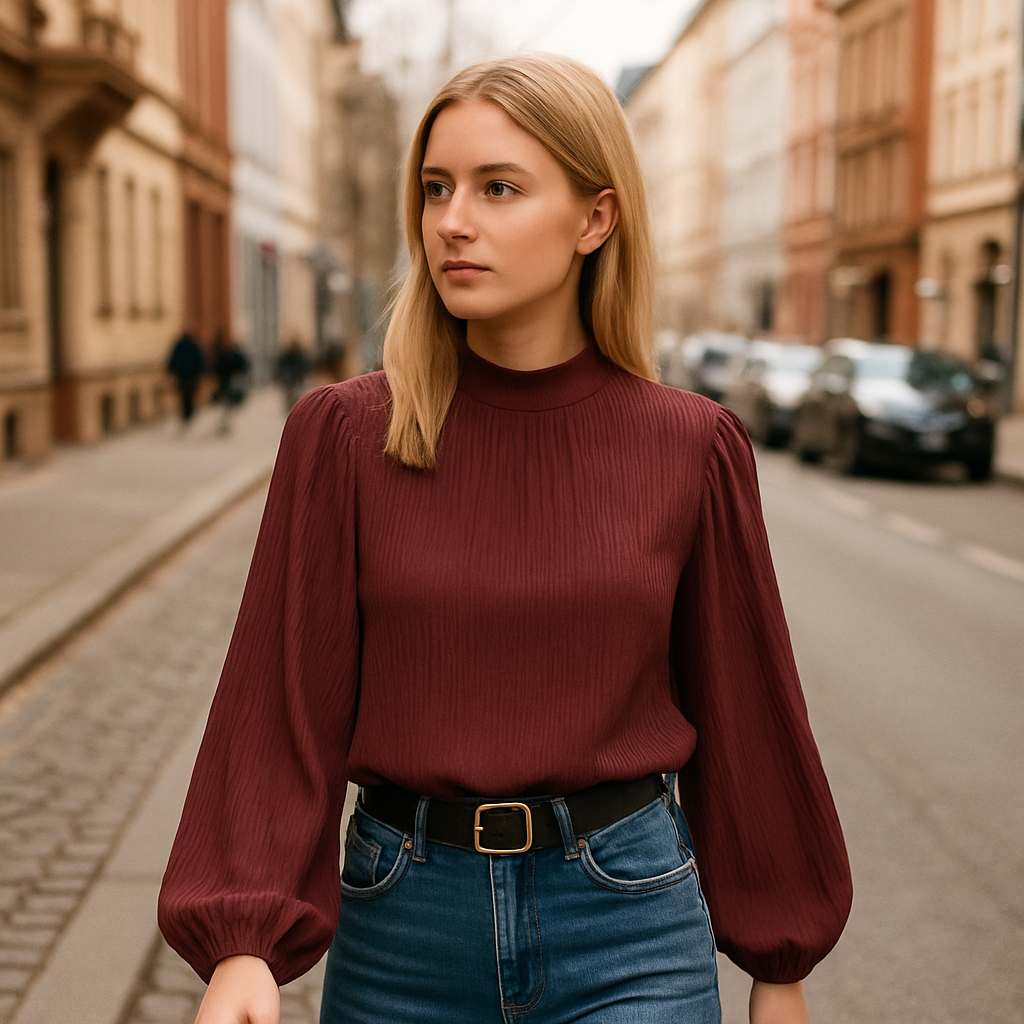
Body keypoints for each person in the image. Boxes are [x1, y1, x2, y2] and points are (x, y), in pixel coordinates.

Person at [158, 54, 852, 1024]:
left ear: (594, 218)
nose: (452, 220)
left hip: (628, 925)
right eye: (436, 188)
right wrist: (243, 945)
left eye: (498, 188)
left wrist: (779, 962)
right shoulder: (348, 436)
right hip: (404, 923)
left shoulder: (691, 446)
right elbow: (280, 701)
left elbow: (749, 710)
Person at [211, 331, 250, 435]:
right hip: (225, 382)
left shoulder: (232, 354)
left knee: (227, 404)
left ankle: (225, 423)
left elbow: (243, 365)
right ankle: (224, 423)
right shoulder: (224, 354)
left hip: (230, 382)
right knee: (226, 404)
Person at [166, 330, 205, 426]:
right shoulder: (192, 345)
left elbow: (173, 358)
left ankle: (187, 413)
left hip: (184, 375)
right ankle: (188, 413)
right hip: (190, 376)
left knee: (186, 395)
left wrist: (171, 369)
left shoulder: (181, 346)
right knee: (188, 395)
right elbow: (199, 360)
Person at [274, 338, 312, 412]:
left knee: (294, 393)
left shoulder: (298, 355)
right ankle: (292, 407)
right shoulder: (291, 355)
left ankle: (293, 407)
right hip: (292, 377)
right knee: (291, 393)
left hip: (295, 377)